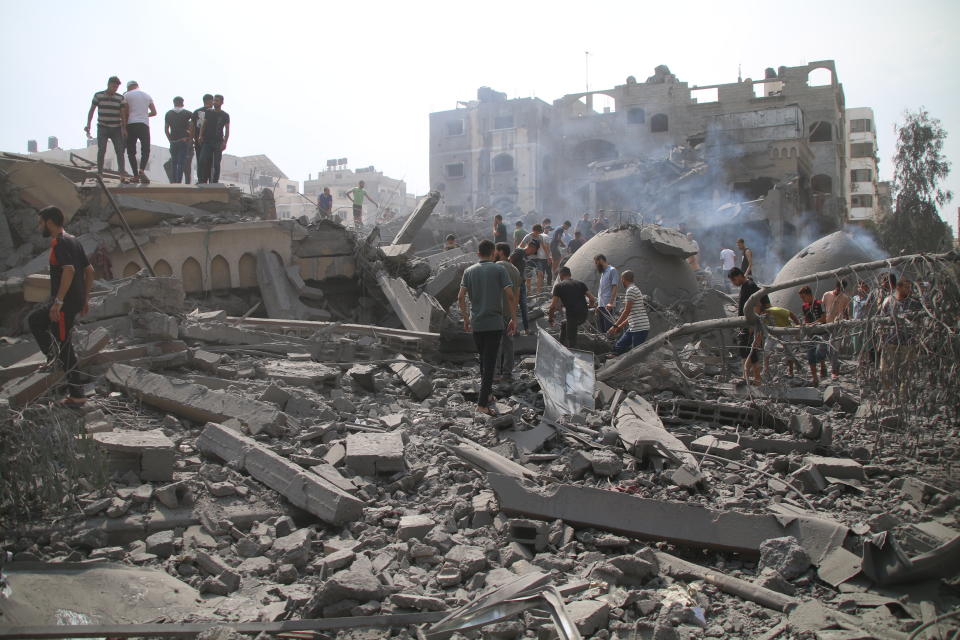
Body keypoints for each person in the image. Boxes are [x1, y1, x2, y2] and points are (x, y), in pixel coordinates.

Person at [28, 206, 95, 407]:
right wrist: (84, 299)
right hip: (69, 301)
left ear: (49, 222)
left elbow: (69, 270)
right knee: (36, 320)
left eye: (41, 222)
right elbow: (89, 271)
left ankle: (77, 394)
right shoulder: (74, 240)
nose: (39, 227)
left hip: (63, 304)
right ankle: (53, 359)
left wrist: (58, 303)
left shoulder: (60, 243)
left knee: (65, 345)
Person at [458, 240, 516, 415]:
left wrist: (466, 318)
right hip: (494, 323)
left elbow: (460, 297)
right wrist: (513, 318)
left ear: (478, 254)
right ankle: (482, 404)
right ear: (493, 253)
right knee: (490, 363)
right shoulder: (499, 269)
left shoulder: (468, 271)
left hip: (477, 323)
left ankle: (488, 394)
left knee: (484, 359)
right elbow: (510, 295)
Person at [728, 267, 769, 384]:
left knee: (748, 350)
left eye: (733, 281)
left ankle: (752, 378)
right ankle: (752, 378)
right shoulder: (745, 286)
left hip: (750, 325)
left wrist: (752, 326)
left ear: (738, 276)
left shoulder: (750, 286)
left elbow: (757, 305)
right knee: (748, 351)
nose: (734, 284)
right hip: (746, 325)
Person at [879, 278, 921, 392]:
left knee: (906, 372)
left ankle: (903, 396)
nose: (909, 290)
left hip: (907, 343)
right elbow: (882, 319)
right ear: (898, 287)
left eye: (909, 287)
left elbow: (920, 322)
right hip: (890, 342)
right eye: (906, 287)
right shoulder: (888, 301)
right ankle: (888, 393)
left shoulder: (914, 304)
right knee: (885, 370)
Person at [85, 76, 126, 178]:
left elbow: (123, 114)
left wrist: (124, 128)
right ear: (108, 84)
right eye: (113, 86)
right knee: (102, 149)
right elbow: (92, 110)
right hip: (103, 127)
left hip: (116, 127)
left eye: (116, 87)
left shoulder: (120, 98)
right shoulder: (98, 95)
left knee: (120, 150)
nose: (115, 89)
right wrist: (88, 125)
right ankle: (100, 172)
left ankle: (122, 173)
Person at [548, 266, 595, 349]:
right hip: (584, 315)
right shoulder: (580, 283)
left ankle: (574, 356)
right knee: (564, 324)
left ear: (561, 275)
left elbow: (552, 306)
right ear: (570, 274)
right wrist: (589, 306)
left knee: (572, 340)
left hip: (572, 316)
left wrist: (550, 319)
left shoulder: (559, 286)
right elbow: (592, 299)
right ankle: (561, 346)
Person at [606, 271, 650, 355]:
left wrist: (614, 326)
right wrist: (618, 327)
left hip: (639, 328)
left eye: (621, 279)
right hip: (634, 326)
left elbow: (627, 311)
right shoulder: (634, 289)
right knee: (618, 347)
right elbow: (631, 314)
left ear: (623, 279)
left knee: (636, 355)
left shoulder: (631, 290)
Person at [494, 242, 521, 380]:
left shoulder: (496, 267)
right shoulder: (515, 270)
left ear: (500, 252)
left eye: (495, 251)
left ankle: (495, 372)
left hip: (496, 311)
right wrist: (513, 316)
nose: (493, 253)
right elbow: (517, 295)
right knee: (508, 343)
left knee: (495, 342)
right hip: (509, 313)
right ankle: (507, 372)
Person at [121, 81, 156, 184]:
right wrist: (144, 115)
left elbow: (125, 112)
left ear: (128, 87)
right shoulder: (147, 96)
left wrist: (124, 127)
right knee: (145, 149)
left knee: (131, 151)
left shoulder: (126, 95)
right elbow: (154, 112)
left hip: (131, 124)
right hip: (144, 124)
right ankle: (141, 170)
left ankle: (135, 176)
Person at [759, 300, 800, 378]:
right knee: (766, 349)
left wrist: (797, 326)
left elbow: (790, 313)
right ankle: (766, 370)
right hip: (773, 332)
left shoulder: (775, 310)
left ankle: (790, 371)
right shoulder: (759, 316)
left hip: (785, 330)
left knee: (788, 350)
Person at [798, 285, 829, 386]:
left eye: (803, 297)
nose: (803, 300)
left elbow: (824, 318)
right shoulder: (804, 306)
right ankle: (815, 379)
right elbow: (806, 319)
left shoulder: (819, 303)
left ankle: (823, 365)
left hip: (821, 332)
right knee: (810, 355)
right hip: (811, 333)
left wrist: (813, 324)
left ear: (809, 295)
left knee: (820, 352)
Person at [822, 279, 851, 380]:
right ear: (836, 286)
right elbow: (823, 307)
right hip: (826, 324)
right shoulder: (827, 295)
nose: (840, 290)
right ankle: (835, 365)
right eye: (839, 288)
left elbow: (846, 312)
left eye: (842, 289)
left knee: (834, 349)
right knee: (827, 348)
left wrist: (847, 324)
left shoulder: (845, 298)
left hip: (838, 325)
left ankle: (834, 371)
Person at [198, 94, 230, 184]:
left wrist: (225, 142)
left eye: (217, 101)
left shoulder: (225, 115)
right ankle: (202, 181)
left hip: (218, 142)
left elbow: (227, 129)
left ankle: (215, 182)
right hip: (207, 141)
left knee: (216, 164)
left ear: (222, 102)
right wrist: (200, 136)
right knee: (202, 160)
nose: (215, 102)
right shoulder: (208, 112)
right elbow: (203, 125)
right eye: (214, 100)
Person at [164, 97, 193, 184]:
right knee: (181, 163)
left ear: (174, 103)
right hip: (183, 140)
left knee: (174, 162)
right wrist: (189, 138)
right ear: (182, 103)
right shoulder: (188, 113)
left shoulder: (168, 113)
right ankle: (179, 181)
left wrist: (170, 140)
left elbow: (166, 129)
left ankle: (174, 182)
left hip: (173, 141)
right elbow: (192, 127)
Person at [519, 224, 551, 295]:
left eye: (539, 233)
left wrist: (548, 257)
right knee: (528, 276)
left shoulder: (540, 237)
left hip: (537, 258)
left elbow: (544, 247)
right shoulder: (528, 237)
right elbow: (521, 246)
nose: (538, 234)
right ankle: (529, 292)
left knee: (540, 274)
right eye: (537, 232)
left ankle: (538, 292)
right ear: (534, 231)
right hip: (528, 258)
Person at [190, 94, 213, 183]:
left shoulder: (196, 112)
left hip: (197, 140)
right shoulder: (212, 112)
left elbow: (192, 127)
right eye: (212, 100)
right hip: (208, 140)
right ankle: (206, 179)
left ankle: (201, 179)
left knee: (200, 160)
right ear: (209, 101)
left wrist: (191, 139)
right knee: (208, 161)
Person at [594, 254, 619, 332]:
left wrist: (611, 303)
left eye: (596, 263)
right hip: (601, 305)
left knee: (608, 329)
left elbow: (615, 286)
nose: (596, 265)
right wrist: (599, 305)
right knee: (602, 330)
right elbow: (602, 290)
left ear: (601, 260)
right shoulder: (603, 273)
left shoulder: (612, 270)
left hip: (608, 306)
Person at [509, 245, 529, 334]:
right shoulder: (521, 257)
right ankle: (522, 329)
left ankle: (517, 329)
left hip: (518, 284)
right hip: (519, 284)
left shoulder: (513, 264)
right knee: (521, 306)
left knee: (517, 306)